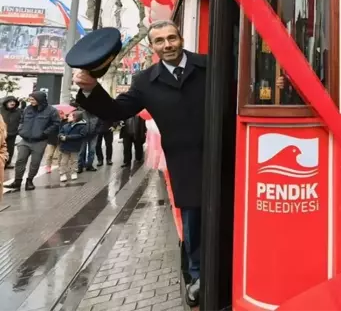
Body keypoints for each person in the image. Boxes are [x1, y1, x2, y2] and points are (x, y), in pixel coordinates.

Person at [73, 20, 205, 307]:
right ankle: (197, 276)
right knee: (194, 220)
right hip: (185, 161)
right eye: (160, 41)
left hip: (224, 156)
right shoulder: (145, 81)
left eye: (172, 38)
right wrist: (91, 89)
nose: (167, 44)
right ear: (153, 47)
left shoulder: (209, 65)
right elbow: (117, 110)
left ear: (181, 38)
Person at [6, 91, 60, 191]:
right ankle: (17, 182)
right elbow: (22, 120)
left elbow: (56, 123)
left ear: (40, 99)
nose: (30, 101)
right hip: (25, 140)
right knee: (20, 161)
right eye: (30, 99)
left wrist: (44, 133)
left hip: (40, 141)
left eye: (32, 99)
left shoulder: (51, 111)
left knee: (35, 163)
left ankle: (29, 181)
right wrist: (20, 130)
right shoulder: (27, 108)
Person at [58, 111, 87, 182]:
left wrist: (67, 137)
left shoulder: (82, 126)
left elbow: (81, 135)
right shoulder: (65, 125)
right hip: (65, 146)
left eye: (70, 116)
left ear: (75, 118)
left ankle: (73, 172)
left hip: (75, 146)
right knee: (63, 161)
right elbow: (60, 132)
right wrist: (60, 136)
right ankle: (62, 174)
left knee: (74, 160)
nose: (68, 117)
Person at [1, 96, 22, 170]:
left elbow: (23, 121)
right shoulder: (1, 110)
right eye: (10, 101)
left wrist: (19, 130)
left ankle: (6, 164)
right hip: (1, 134)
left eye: (14, 102)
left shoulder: (19, 111)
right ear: (6, 102)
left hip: (12, 134)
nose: (12, 103)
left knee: (10, 150)